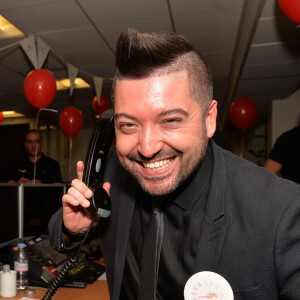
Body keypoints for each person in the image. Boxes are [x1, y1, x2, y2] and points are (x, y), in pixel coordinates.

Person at [49, 29, 300, 299]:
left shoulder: (282, 209)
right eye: (128, 125)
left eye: (170, 120)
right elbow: (57, 231)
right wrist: (73, 229)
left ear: (209, 119)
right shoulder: (114, 172)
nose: (146, 148)